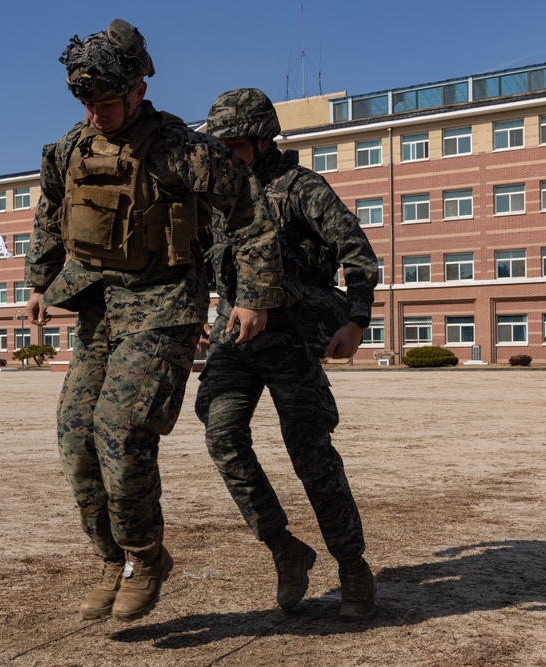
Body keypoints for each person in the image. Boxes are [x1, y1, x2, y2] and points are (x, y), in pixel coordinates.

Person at [23, 20, 284, 623]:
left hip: (163, 304)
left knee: (121, 432)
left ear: (139, 90)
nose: (96, 116)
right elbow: (51, 208)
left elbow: (250, 211)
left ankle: (145, 556)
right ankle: (112, 558)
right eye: (87, 104)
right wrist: (39, 280)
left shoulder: (181, 148)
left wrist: (253, 295)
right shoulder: (73, 147)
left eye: (107, 103)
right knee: (76, 437)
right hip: (95, 302)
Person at [195, 88, 379, 622]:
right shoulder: (218, 198)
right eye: (219, 145)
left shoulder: (302, 189)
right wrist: (194, 324)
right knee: (222, 436)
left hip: (295, 334)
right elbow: (197, 265)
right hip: (236, 335)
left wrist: (356, 320)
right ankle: (284, 547)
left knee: (310, 454)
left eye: (233, 144)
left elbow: (356, 253)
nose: (224, 154)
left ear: (260, 138)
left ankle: (351, 566)